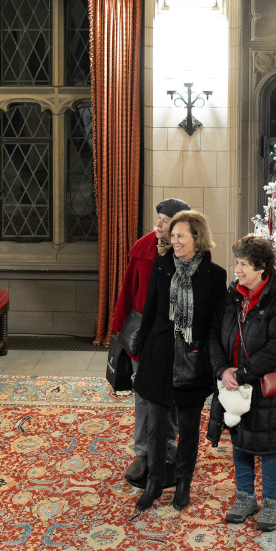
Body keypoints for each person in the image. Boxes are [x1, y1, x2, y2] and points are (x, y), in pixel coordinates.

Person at [132, 210, 228, 512]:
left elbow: (216, 324)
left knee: (188, 426)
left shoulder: (215, 275)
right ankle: (155, 481)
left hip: (194, 359)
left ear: (196, 238)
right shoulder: (162, 265)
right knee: (156, 426)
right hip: (159, 355)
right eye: (172, 236)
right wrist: (141, 346)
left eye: (180, 236)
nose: (174, 241)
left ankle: (184, 481)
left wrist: (217, 363)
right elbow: (150, 309)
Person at [207, 236, 276, 532]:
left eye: (244, 264)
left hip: (262, 385)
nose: (238, 270)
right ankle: (245, 497)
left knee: (269, 446)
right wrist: (222, 370)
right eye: (237, 263)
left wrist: (241, 374)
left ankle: (271, 503)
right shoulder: (233, 295)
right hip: (232, 383)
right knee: (240, 440)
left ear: (261, 268)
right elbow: (214, 333)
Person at [109, 198, 191, 486]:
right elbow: (128, 289)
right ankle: (142, 453)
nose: (158, 226)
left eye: (164, 221)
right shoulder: (143, 248)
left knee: (171, 394)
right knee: (143, 395)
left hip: (176, 335)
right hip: (143, 336)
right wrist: (118, 329)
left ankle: (168, 447)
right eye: (157, 219)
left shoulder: (190, 252)